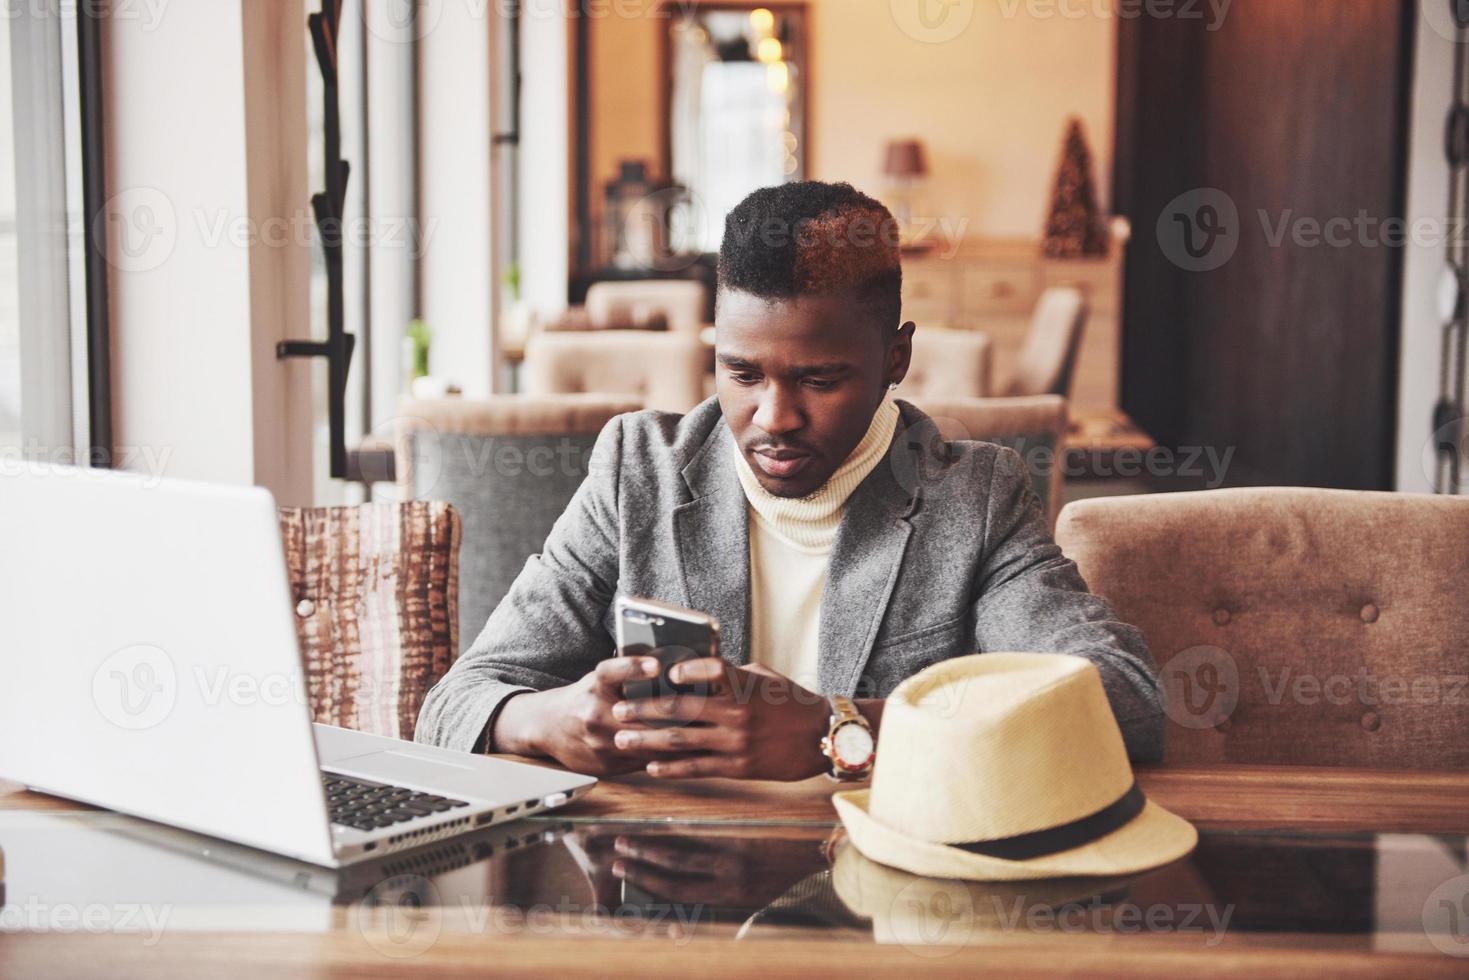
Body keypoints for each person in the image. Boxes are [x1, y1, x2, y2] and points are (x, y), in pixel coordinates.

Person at [416, 180, 1163, 779]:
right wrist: (542, 719)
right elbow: (455, 702)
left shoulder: (974, 496)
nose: (772, 417)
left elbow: (1121, 704)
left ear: (895, 359)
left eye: (819, 378)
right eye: (741, 372)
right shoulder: (635, 470)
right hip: (668, 905)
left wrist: (836, 728)